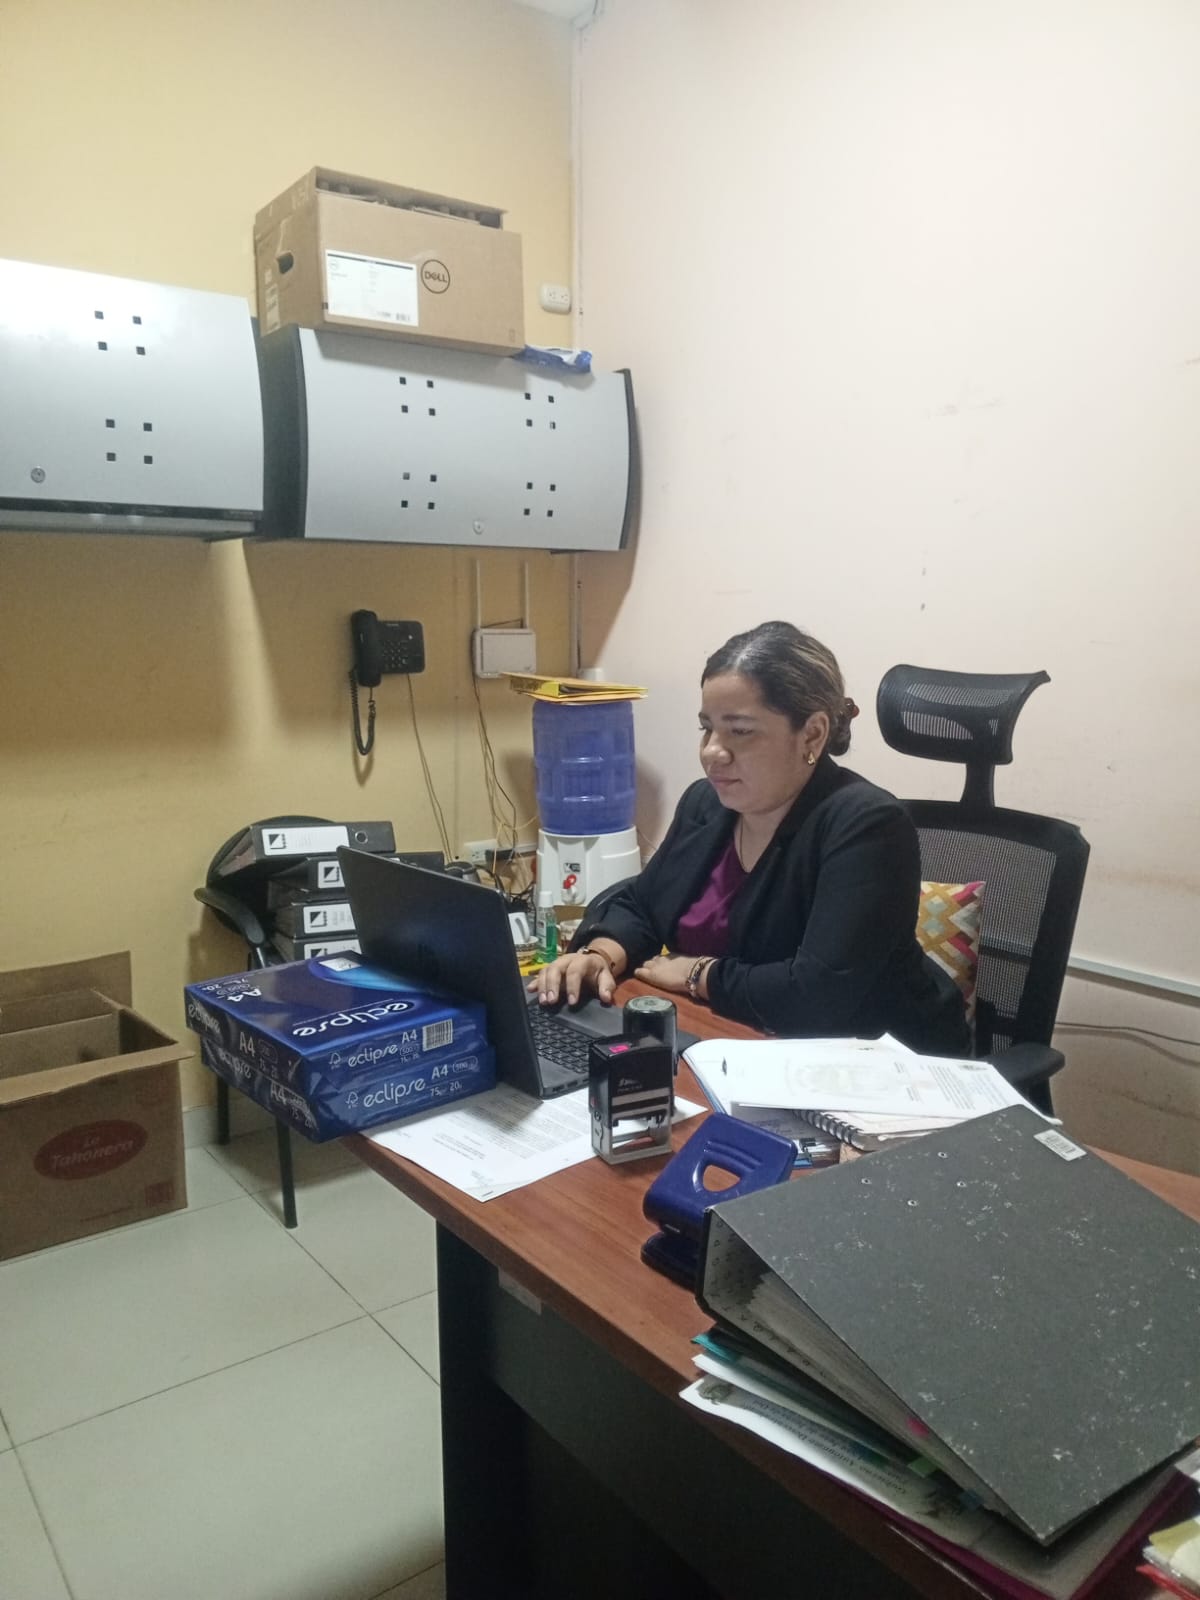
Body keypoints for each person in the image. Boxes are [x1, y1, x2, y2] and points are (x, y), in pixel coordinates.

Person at [531, 621, 970, 1055]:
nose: (711, 751)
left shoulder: (867, 825)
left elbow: (819, 994)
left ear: (812, 734)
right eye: (706, 728)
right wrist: (600, 956)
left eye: (739, 731)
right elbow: (642, 905)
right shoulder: (706, 803)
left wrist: (699, 974)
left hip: (871, 1065)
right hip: (728, 1040)